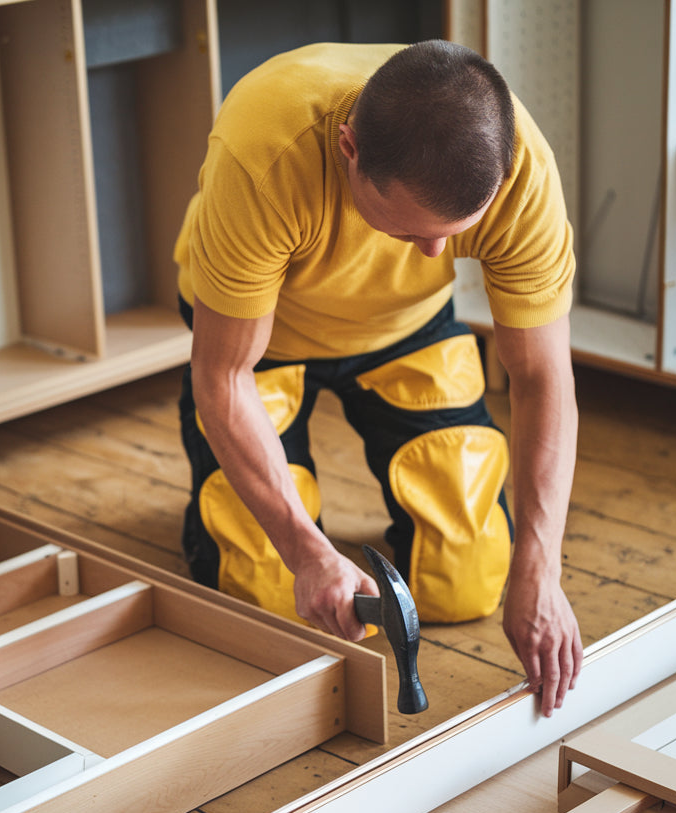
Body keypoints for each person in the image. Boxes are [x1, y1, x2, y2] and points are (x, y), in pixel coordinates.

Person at [173, 40, 582, 717]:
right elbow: (225, 376)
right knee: (264, 593)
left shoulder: (522, 172)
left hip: (407, 327)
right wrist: (307, 551)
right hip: (263, 337)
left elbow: (543, 379)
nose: (434, 253)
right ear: (349, 148)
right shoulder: (266, 150)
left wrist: (542, 566)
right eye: (407, 232)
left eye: (454, 234)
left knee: (471, 578)